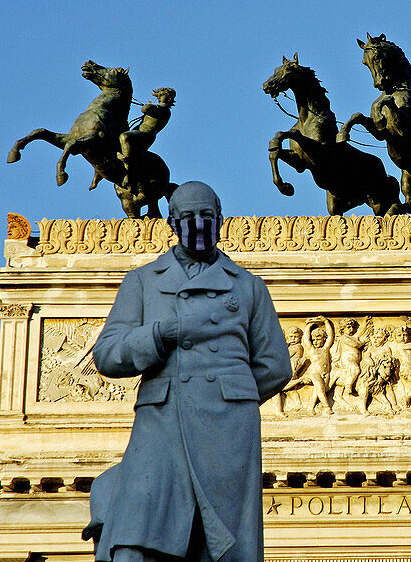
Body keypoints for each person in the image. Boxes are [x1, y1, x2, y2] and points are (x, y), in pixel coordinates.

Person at [84, 181, 290, 562]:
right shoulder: (143, 281)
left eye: (207, 216)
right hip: (162, 423)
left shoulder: (248, 287)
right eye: (189, 217)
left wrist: (229, 396)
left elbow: (275, 365)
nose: (198, 224)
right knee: (134, 536)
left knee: (221, 548)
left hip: (227, 431)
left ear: (221, 221)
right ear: (172, 222)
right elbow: (108, 354)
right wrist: (158, 335)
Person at [117, 87, 176, 190]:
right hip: (139, 133)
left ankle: (129, 169)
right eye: (159, 96)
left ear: (169, 99)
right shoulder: (159, 107)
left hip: (145, 135)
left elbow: (145, 109)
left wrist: (148, 106)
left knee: (124, 136)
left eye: (162, 95)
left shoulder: (164, 109)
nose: (159, 98)